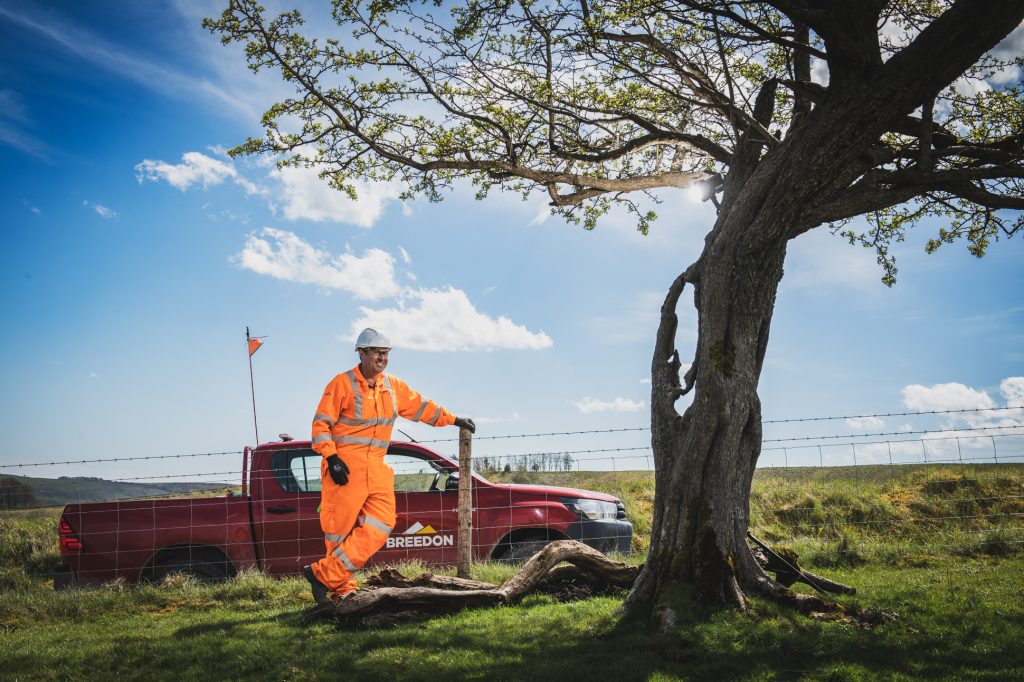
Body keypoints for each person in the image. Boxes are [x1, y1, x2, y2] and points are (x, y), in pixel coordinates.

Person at [303, 328, 475, 604]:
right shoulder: (341, 384)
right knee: (340, 532)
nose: (382, 358)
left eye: (386, 353)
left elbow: (421, 407)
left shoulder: (393, 386)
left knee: (382, 524)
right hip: (345, 468)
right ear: (361, 353)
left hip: (377, 468)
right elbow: (321, 423)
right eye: (376, 353)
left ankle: (322, 575)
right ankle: (342, 589)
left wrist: (453, 419)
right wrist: (331, 457)